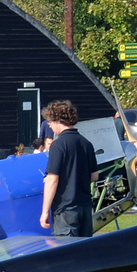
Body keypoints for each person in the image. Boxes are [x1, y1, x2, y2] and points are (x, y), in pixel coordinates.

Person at [40, 100, 94, 237]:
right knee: (84, 253)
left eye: (50, 122)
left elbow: (53, 179)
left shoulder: (58, 145)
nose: (50, 126)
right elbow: (94, 176)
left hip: (65, 209)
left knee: (67, 254)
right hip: (85, 208)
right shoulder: (86, 144)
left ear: (58, 120)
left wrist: (45, 212)